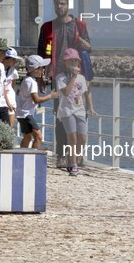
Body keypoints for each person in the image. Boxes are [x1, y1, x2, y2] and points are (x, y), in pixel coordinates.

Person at [37, 0, 96, 167]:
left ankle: (77, 156)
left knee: (80, 113)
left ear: (68, 5)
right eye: (57, 4)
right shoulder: (47, 27)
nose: (59, 7)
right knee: (61, 116)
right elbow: (41, 54)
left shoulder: (79, 25)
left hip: (78, 76)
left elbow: (89, 47)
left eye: (62, 3)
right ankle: (62, 156)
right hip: (58, 76)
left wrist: (80, 41)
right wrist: (41, 78)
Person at [55, 48, 88, 176]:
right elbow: (66, 92)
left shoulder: (82, 78)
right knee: (72, 138)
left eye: (76, 60)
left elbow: (83, 95)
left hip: (79, 110)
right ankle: (73, 163)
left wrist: (85, 110)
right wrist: (73, 77)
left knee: (83, 138)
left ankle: (73, 156)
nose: (74, 63)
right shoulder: (61, 78)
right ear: (65, 62)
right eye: (71, 61)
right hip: (67, 110)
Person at [16, 55, 56, 149]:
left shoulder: (26, 79)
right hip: (27, 114)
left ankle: (22, 155)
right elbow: (36, 99)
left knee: (27, 136)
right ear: (35, 69)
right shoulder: (32, 83)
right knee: (38, 137)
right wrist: (50, 96)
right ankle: (33, 157)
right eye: (42, 68)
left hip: (21, 113)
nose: (43, 70)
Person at [2, 47, 22, 128]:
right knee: (2, 126)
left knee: (10, 126)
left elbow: (12, 86)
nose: (15, 61)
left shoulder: (13, 71)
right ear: (7, 59)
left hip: (11, 100)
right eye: (13, 59)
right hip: (1, 101)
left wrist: (11, 100)